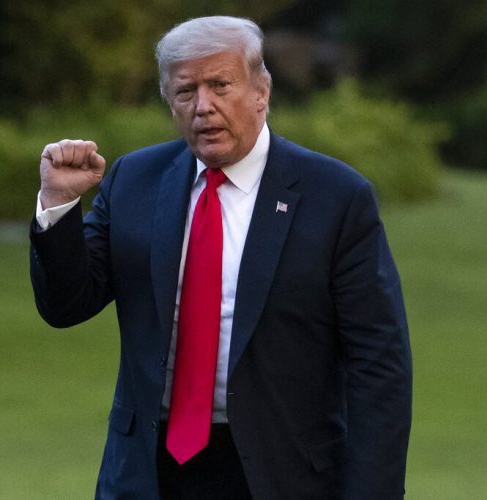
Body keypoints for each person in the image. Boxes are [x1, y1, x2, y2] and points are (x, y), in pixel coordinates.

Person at [30, 15, 411, 500]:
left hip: (281, 472)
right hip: (148, 473)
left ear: (261, 91)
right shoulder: (135, 181)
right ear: (169, 101)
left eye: (220, 85)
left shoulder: (335, 197)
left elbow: (379, 366)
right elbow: (66, 305)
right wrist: (58, 206)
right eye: (185, 91)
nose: (203, 106)